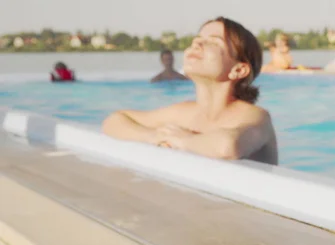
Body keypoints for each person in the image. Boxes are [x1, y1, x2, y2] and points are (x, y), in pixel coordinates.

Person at [102, 17, 278, 165]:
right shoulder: (183, 113)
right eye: (198, 38)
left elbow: (228, 146)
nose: (197, 43)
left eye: (213, 41)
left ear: (238, 70)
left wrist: (182, 140)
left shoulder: (256, 117)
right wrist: (152, 136)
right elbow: (114, 121)